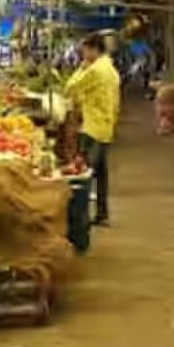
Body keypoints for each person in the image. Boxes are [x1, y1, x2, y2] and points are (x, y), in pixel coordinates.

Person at [64, 34, 121, 226]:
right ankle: (102, 214)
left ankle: (81, 217)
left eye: (85, 50)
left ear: (93, 49)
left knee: (84, 173)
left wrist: (81, 67)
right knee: (101, 174)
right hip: (105, 126)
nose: (83, 54)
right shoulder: (111, 69)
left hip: (93, 127)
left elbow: (70, 88)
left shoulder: (95, 70)